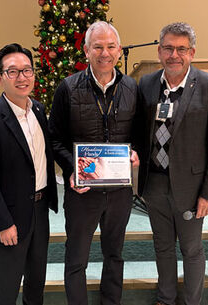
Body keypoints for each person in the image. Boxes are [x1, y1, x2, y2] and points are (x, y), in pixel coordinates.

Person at [135, 22, 208, 305]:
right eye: (168, 48)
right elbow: (141, 133)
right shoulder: (147, 84)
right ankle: (165, 298)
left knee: (190, 248)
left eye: (181, 49)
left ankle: (191, 301)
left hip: (191, 188)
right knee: (162, 246)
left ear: (192, 53)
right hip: (154, 184)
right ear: (159, 50)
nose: (173, 55)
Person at [48, 21, 139, 305]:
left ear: (119, 49)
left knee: (115, 255)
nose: (105, 53)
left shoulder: (132, 88)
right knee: (76, 258)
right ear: (86, 50)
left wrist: (136, 152)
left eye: (110, 46)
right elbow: (54, 139)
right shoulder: (68, 88)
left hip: (119, 193)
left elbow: (138, 135)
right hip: (82, 193)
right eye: (97, 46)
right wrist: (72, 169)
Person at [0, 43, 58, 305]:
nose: (22, 77)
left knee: (36, 283)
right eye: (13, 72)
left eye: (27, 70)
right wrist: (2, 223)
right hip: (10, 218)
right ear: (0, 78)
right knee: (8, 289)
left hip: (40, 210)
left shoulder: (40, 111)